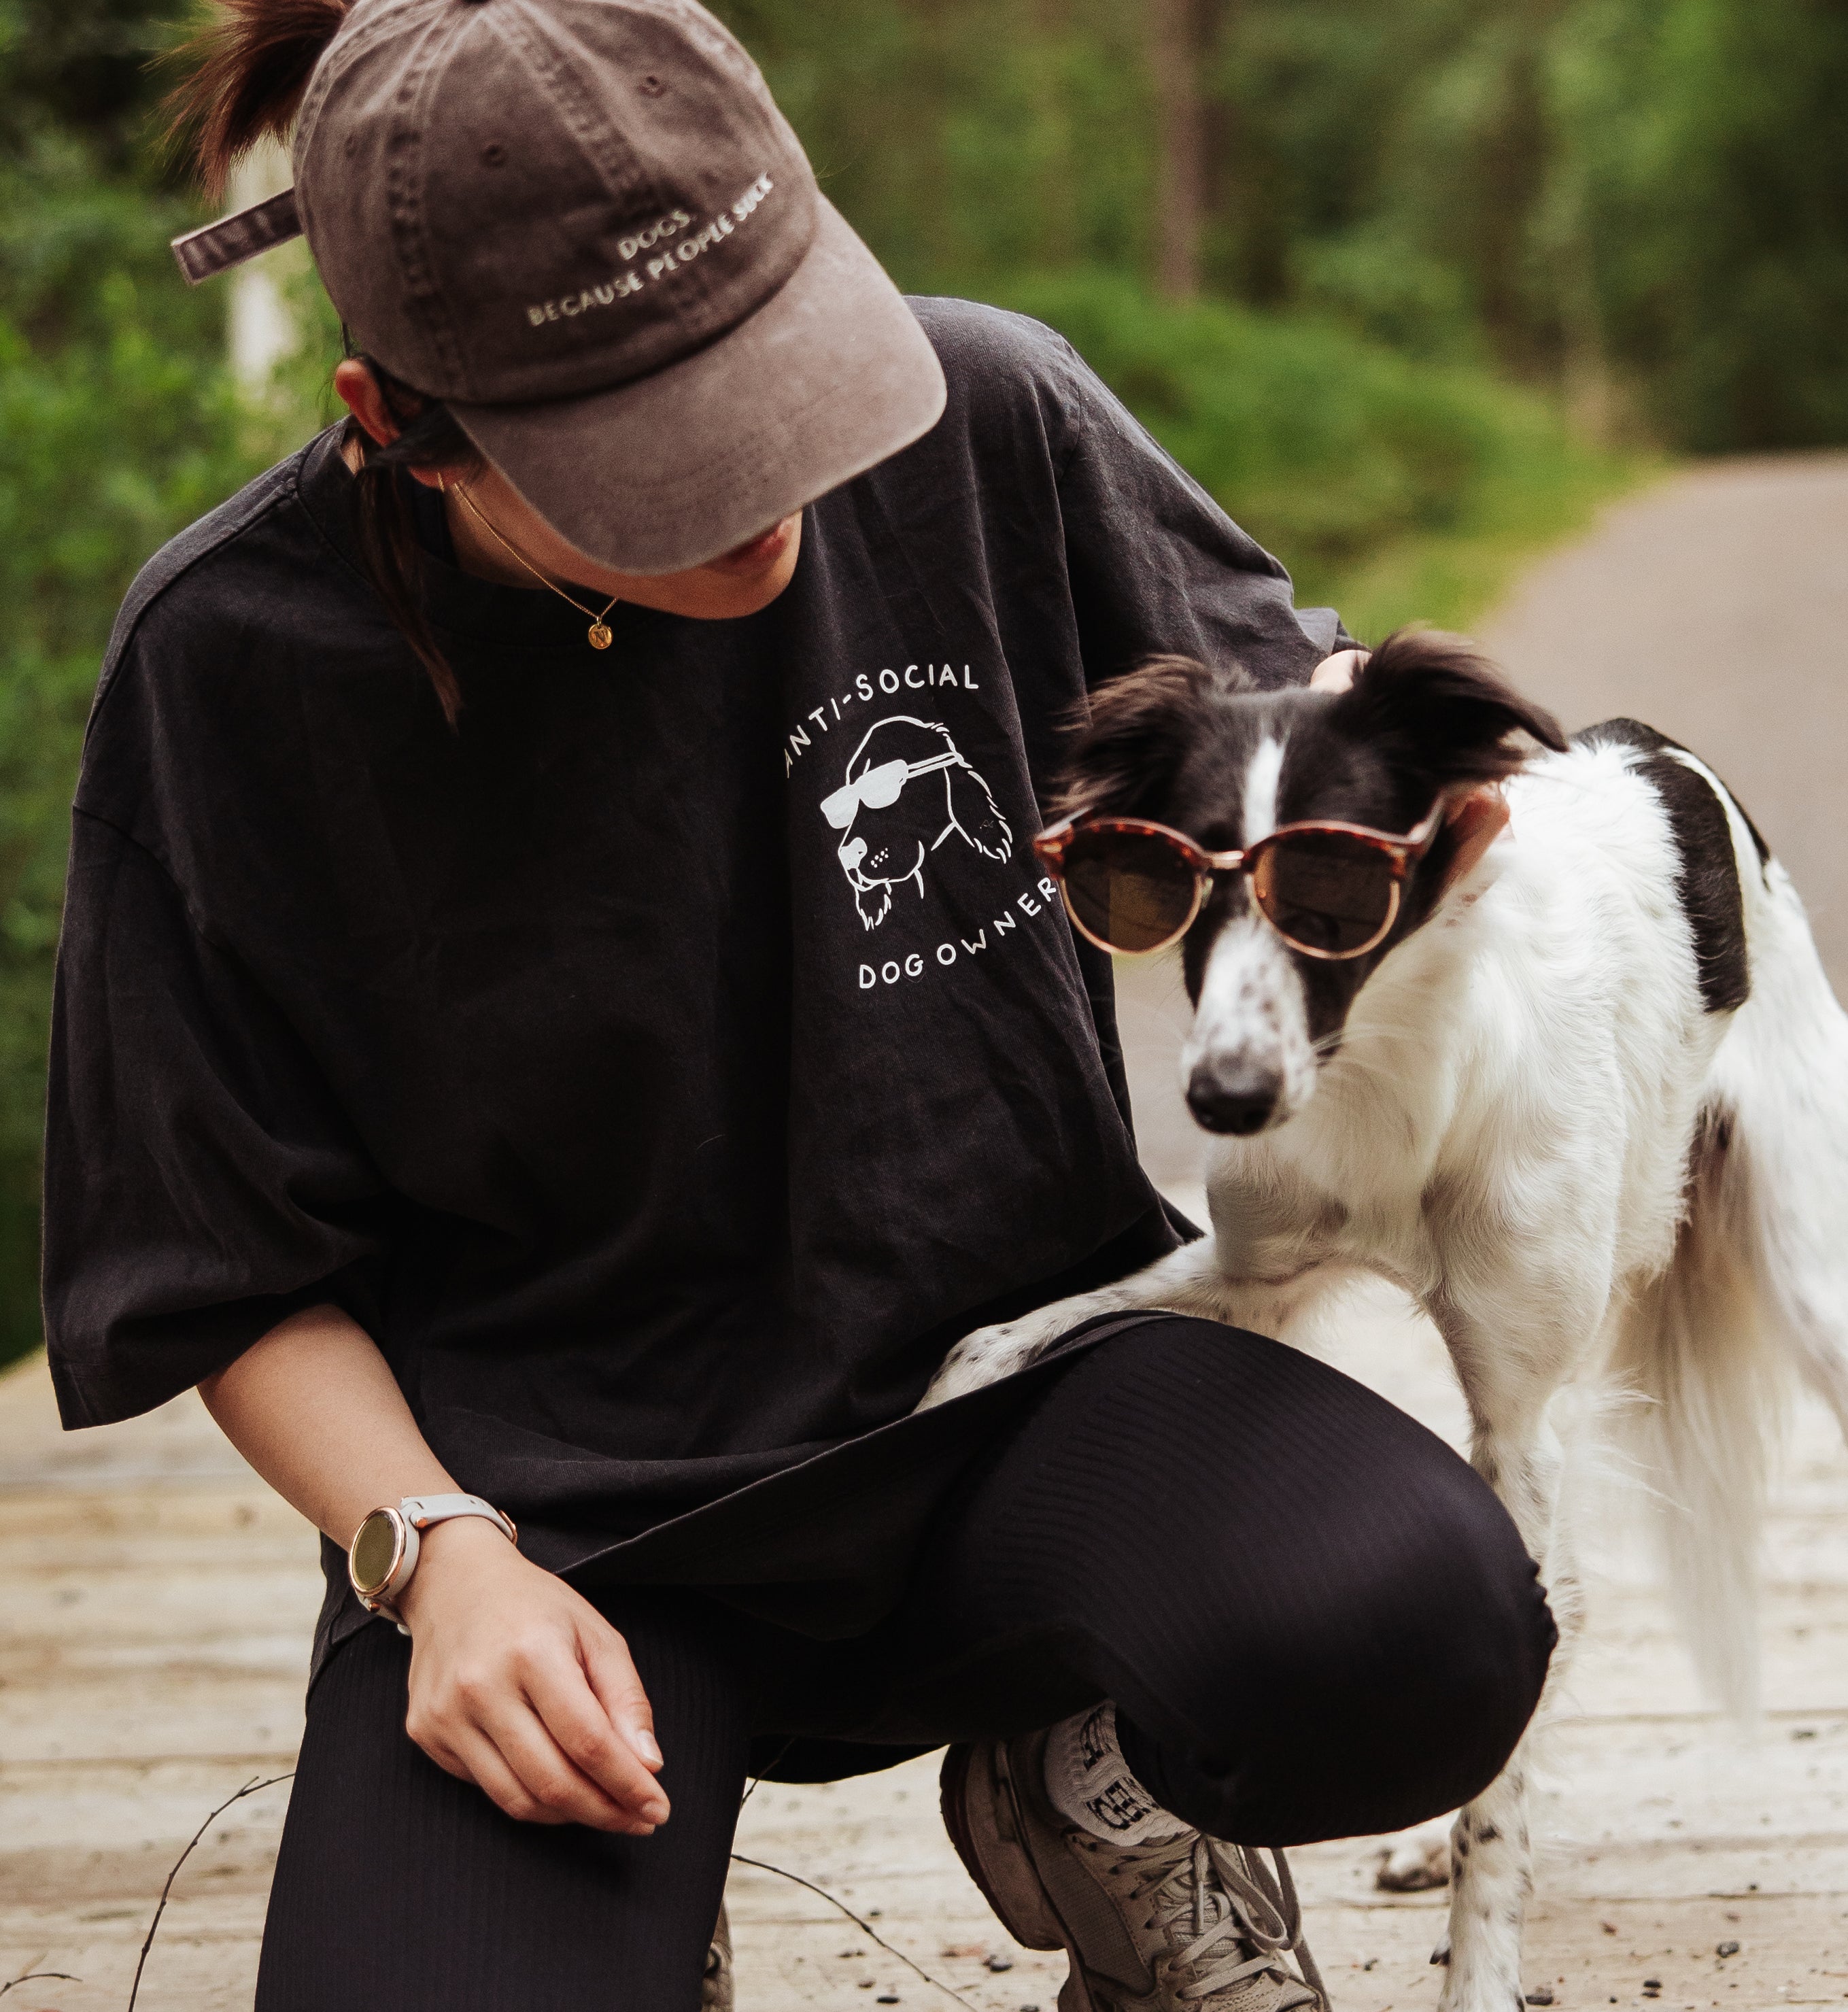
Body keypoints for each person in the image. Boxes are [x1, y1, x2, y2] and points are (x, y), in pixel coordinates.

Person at [41, 0, 1555, 2005]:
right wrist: (434, 1556)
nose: (770, 484)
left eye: (780, 373)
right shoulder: (226, 665)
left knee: (1417, 1628)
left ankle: (1084, 1768)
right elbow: (221, 1257)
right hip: (564, 1530)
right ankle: (642, 1892)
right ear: (394, 423)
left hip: (1030, 1394)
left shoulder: (985, 414)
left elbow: (1316, 768)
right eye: (661, 453)